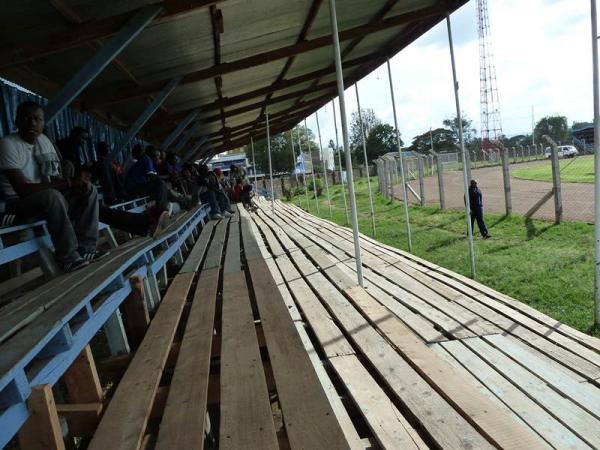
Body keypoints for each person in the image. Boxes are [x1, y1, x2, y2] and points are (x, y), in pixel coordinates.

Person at [0, 102, 107, 272]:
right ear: (16, 121)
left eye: (37, 119)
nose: (32, 123)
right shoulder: (7, 144)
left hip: (47, 202)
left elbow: (56, 179)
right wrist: (70, 183)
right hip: (18, 204)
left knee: (89, 189)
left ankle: (85, 249)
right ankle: (67, 257)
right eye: (27, 118)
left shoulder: (44, 141)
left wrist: (77, 185)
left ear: (43, 123)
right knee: (52, 195)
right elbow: (23, 190)